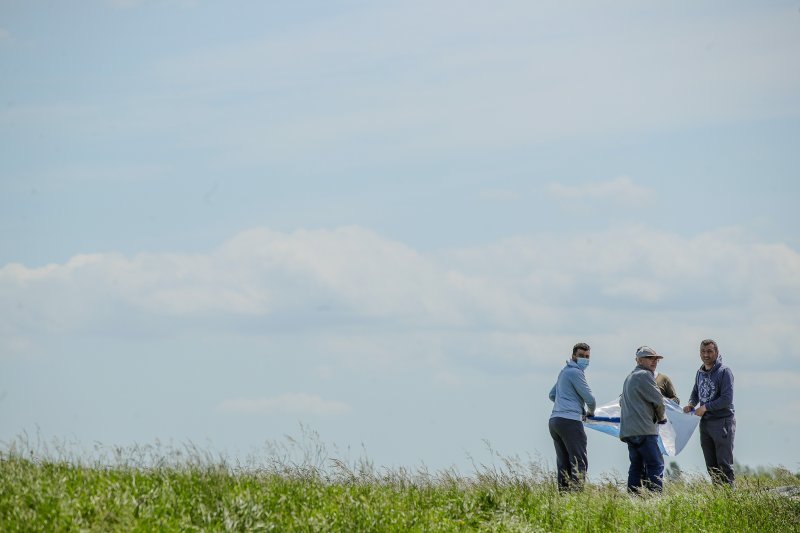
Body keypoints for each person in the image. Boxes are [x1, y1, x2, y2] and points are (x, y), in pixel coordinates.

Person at [683, 339, 736, 486]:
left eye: (709, 351)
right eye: (703, 351)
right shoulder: (700, 372)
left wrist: (705, 407)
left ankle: (729, 498)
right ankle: (718, 497)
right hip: (705, 423)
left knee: (724, 464)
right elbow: (695, 392)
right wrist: (691, 404)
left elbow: (727, 399)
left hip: (722, 421)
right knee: (711, 465)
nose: (706, 355)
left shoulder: (724, 372)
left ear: (716, 353)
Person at [620, 346, 668, 494]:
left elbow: (621, 402)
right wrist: (661, 418)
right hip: (645, 430)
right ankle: (655, 499)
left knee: (636, 466)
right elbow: (658, 400)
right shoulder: (645, 375)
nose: (654, 361)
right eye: (649, 358)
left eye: (656, 359)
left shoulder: (629, 377)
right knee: (656, 464)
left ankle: (633, 498)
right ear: (639, 360)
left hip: (629, 432)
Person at [548, 342, 596, 492]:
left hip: (555, 420)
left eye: (587, 357)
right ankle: (576, 498)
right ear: (573, 356)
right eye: (581, 356)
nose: (584, 359)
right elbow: (590, 399)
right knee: (578, 462)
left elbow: (552, 395)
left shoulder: (564, 371)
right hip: (570, 421)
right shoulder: (576, 372)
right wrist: (590, 412)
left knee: (563, 463)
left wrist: (565, 400)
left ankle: (563, 496)